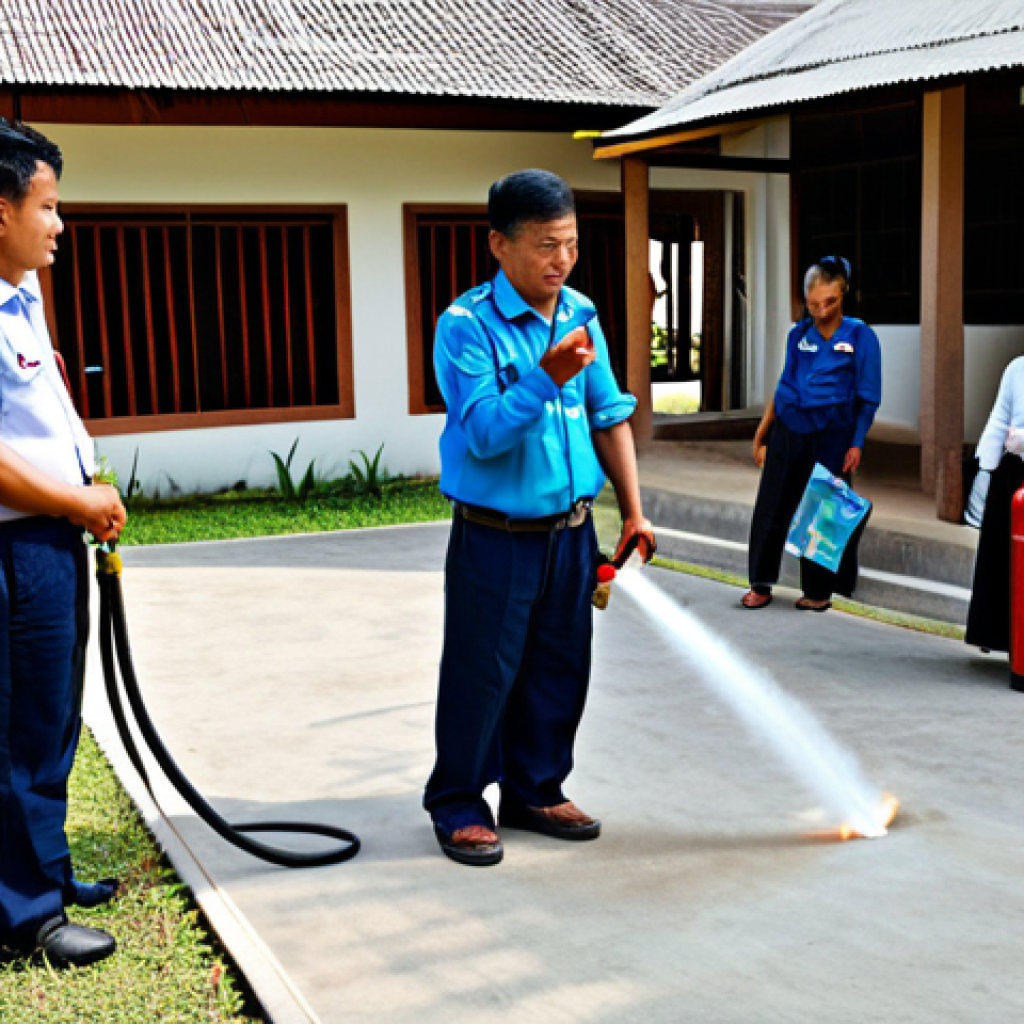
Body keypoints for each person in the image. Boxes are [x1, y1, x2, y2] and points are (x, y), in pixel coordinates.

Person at [424, 169, 655, 867]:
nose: (563, 260)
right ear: (500, 244)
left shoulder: (581, 313)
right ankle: (460, 804)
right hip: (495, 537)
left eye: (572, 244)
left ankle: (535, 791)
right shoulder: (466, 327)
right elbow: (486, 433)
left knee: (560, 668)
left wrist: (634, 510)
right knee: (482, 673)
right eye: (547, 245)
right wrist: (545, 376)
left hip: (571, 533)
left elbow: (608, 414)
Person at [0, 121, 127, 967]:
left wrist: (85, 493)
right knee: (17, 728)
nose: (59, 224)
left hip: (51, 540)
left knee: (51, 719)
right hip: (14, 548)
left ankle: (45, 873)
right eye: (46, 206)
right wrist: (76, 499)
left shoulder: (22, 296)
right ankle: (24, 917)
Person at [741, 256, 881, 612]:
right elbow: (783, 386)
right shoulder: (798, 335)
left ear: (843, 294)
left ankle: (819, 592)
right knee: (772, 505)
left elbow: (868, 398)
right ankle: (760, 582)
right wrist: (763, 433)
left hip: (834, 434)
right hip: (790, 429)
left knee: (825, 511)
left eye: (829, 302)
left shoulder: (860, 335)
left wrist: (857, 443)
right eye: (814, 303)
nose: (821, 311)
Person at [965, 355, 1024, 673]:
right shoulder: (1017, 367)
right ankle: (1000, 635)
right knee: (1002, 559)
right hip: (1012, 471)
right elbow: (999, 418)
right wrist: (985, 471)